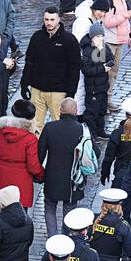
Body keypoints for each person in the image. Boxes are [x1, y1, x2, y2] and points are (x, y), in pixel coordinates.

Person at [19, 8, 81, 135]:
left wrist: (70, 93)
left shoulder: (69, 40)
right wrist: (24, 84)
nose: (49, 23)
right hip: (37, 90)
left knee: (60, 128)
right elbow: (29, 61)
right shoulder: (37, 37)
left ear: (59, 19)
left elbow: (74, 69)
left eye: (52, 20)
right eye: (46, 19)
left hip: (58, 92)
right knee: (35, 127)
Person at [38, 96, 87, 235]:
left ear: (60, 110)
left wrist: (38, 174)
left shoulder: (50, 127)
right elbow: (92, 153)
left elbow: (40, 153)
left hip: (52, 177)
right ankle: (66, 237)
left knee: (49, 207)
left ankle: (52, 237)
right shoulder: (82, 130)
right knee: (69, 209)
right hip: (73, 179)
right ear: (76, 111)